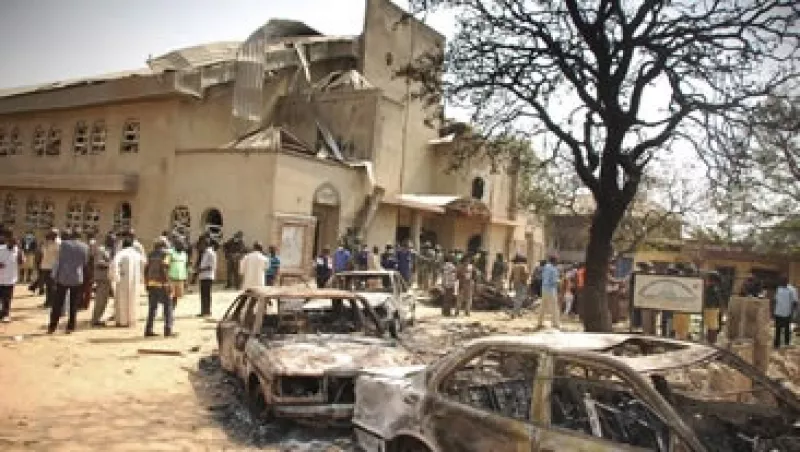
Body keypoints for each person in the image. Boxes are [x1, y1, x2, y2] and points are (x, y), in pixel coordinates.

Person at [48, 230, 89, 334]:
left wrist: (54, 275)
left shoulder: (64, 245)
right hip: (76, 277)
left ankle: (52, 326)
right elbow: (84, 263)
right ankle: (71, 327)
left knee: (58, 303)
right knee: (74, 304)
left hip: (63, 277)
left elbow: (58, 261)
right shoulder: (85, 247)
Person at [144, 238, 176, 337]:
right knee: (168, 307)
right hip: (162, 284)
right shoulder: (166, 254)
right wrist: (167, 283)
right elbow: (164, 268)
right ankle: (168, 330)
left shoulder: (150, 255)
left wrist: (147, 283)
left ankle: (148, 329)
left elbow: (146, 269)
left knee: (152, 308)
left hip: (151, 284)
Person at [110, 237, 145, 327]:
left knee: (122, 300)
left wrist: (115, 276)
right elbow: (144, 263)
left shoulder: (121, 253)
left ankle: (122, 321)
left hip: (123, 279)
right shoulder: (137, 254)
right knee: (133, 299)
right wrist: (141, 276)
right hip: (135, 280)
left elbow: (114, 264)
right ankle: (132, 320)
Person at [0, 231, 24, 323]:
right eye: (10, 242)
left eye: (14, 243)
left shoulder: (18, 251)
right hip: (0, 278)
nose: (12, 244)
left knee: (7, 299)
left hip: (10, 279)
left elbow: (21, 263)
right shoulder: (1, 249)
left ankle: (5, 314)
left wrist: (20, 252)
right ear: (7, 241)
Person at [90, 234, 113, 326]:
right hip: (102, 277)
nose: (113, 241)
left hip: (106, 278)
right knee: (100, 300)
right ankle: (95, 320)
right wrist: (111, 264)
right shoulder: (101, 250)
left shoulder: (108, 250)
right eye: (111, 239)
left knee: (104, 300)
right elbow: (98, 262)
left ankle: (98, 318)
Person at [773, 276, 798, 349]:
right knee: (777, 329)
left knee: (787, 330)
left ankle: (786, 345)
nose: (781, 283)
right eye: (780, 281)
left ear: (787, 281)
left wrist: (793, 314)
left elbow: (795, 302)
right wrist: (773, 310)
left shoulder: (792, 290)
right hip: (778, 312)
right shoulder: (779, 288)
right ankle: (776, 345)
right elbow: (775, 299)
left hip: (787, 313)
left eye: (782, 281)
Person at [38, 229, 61, 307]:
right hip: (45, 266)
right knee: (48, 285)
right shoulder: (47, 242)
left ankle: (51, 302)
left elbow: (59, 256)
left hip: (53, 267)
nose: (50, 235)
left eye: (52, 234)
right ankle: (48, 301)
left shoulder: (58, 243)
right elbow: (42, 252)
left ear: (56, 235)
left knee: (52, 286)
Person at [538, 255, 561, 330]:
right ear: (554, 261)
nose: (557, 262)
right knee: (554, 307)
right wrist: (559, 281)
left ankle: (540, 322)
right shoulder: (553, 269)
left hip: (544, 288)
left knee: (543, 306)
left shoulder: (545, 267)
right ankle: (555, 323)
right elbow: (554, 281)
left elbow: (543, 277)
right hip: (551, 289)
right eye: (557, 261)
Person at [198, 239, 218, 317]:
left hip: (208, 276)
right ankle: (203, 311)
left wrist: (200, 269)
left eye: (201, 244)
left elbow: (212, 266)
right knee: (203, 294)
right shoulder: (205, 253)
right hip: (203, 276)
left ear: (205, 244)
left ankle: (208, 311)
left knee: (207, 294)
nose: (200, 246)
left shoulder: (211, 253)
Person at [703, 271, 724, 344]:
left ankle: (712, 343)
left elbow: (714, 301)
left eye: (708, 278)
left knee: (712, 328)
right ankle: (711, 342)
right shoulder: (715, 288)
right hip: (712, 309)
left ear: (712, 280)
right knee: (711, 327)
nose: (706, 280)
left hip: (711, 309)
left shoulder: (712, 288)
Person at [168, 238, 189, 307]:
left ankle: (172, 312)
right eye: (180, 244)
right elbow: (165, 265)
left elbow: (185, 267)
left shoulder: (184, 254)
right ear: (176, 245)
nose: (182, 246)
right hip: (171, 278)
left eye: (183, 244)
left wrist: (186, 280)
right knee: (169, 296)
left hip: (180, 279)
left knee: (176, 297)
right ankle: (168, 313)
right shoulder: (170, 252)